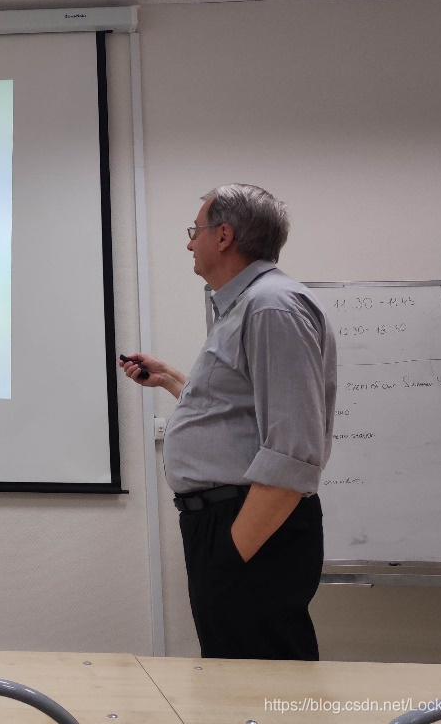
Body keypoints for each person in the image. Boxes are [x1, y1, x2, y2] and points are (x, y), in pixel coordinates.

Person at [120, 184, 337, 660]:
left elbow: (293, 451)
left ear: (223, 236)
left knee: (261, 681)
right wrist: (171, 378)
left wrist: (231, 552)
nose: (188, 244)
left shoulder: (272, 306)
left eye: (194, 231)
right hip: (227, 521)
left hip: (247, 524)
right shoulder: (247, 306)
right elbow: (238, 411)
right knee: (235, 676)